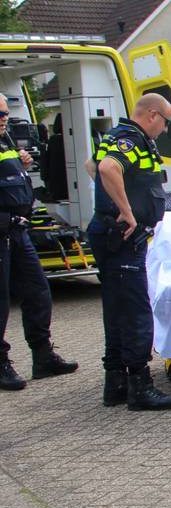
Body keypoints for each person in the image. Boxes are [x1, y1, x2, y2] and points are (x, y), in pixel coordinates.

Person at [89, 93, 171, 411]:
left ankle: (115, 381)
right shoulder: (131, 139)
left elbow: (92, 165)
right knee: (137, 311)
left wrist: (112, 199)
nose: (165, 130)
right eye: (165, 122)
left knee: (116, 309)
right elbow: (107, 169)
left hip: (112, 234)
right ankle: (140, 386)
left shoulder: (114, 134)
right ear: (153, 115)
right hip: (125, 237)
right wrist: (126, 210)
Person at [0, 98, 78, 391]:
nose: (5, 118)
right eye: (0, 114)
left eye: (6, 113)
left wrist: (21, 164)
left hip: (19, 232)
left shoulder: (5, 140)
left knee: (38, 292)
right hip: (2, 232)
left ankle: (43, 356)